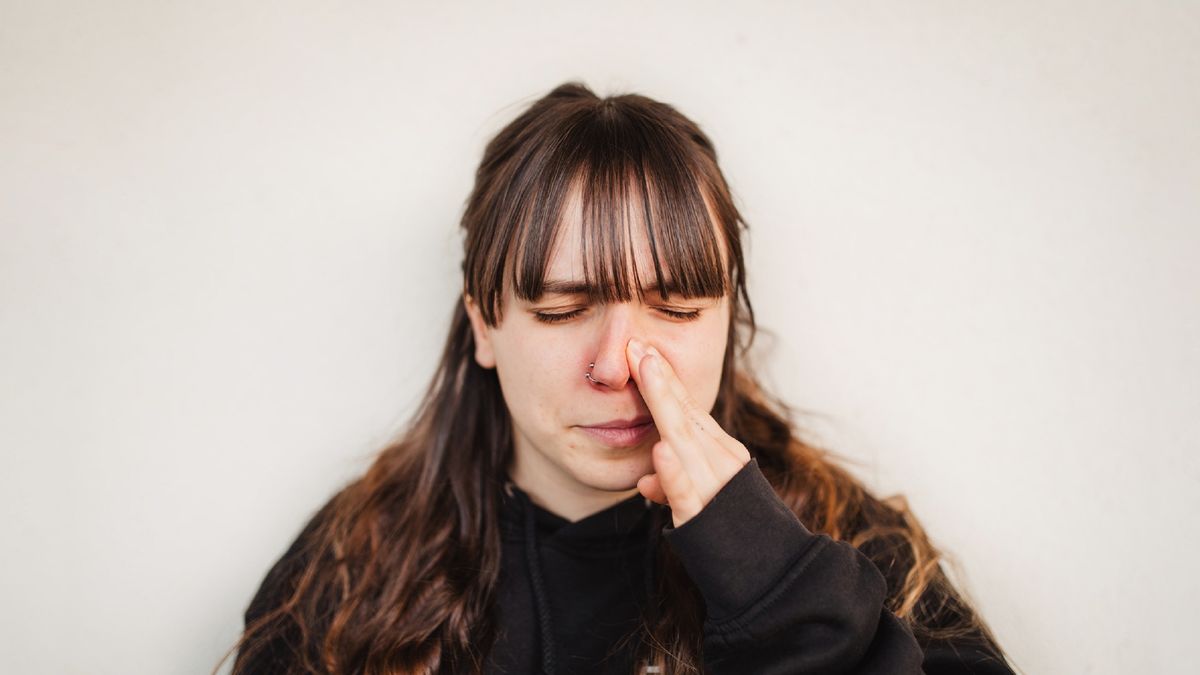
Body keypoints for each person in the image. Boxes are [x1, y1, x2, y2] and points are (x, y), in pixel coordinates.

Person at [225, 82, 1017, 675]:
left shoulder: (847, 545)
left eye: (674, 308)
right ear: (484, 324)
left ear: (725, 320)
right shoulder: (349, 568)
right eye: (564, 309)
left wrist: (778, 590)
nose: (618, 368)